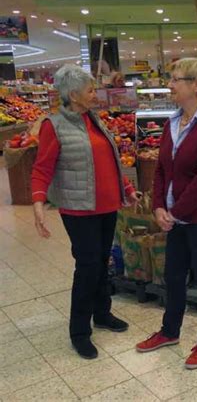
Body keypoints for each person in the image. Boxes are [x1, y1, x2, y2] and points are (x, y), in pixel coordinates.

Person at [31, 64, 140, 359]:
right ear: (73, 95)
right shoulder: (53, 126)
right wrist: (39, 203)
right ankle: (79, 331)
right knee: (88, 267)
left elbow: (111, 161)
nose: (96, 94)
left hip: (107, 206)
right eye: (90, 90)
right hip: (79, 210)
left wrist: (126, 190)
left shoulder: (95, 120)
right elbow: (42, 168)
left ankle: (102, 314)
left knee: (102, 262)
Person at [135, 58, 197, 369]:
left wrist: (174, 212)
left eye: (176, 80)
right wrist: (158, 206)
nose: (170, 85)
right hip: (175, 217)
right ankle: (169, 331)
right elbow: (161, 170)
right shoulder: (171, 123)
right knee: (173, 278)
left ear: (196, 85)